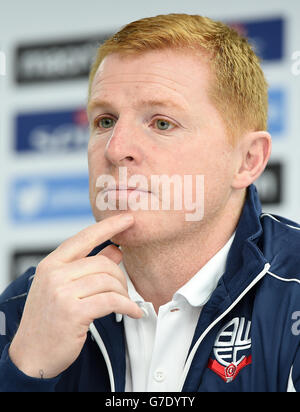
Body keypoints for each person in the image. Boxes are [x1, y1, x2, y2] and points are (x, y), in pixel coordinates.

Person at [0, 13, 299, 393]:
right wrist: (25, 372)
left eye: (161, 123)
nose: (116, 148)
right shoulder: (28, 304)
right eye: (105, 121)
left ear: (248, 161)